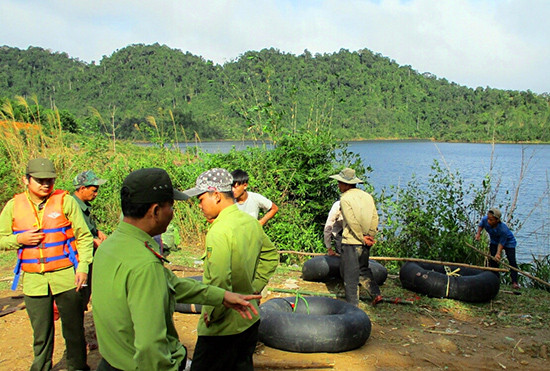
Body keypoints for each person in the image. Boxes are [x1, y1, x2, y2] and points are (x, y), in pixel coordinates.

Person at [92, 168, 261, 371]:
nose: (173, 214)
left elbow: (172, 284)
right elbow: (150, 346)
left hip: (112, 361)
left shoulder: (109, 246)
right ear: (155, 211)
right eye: (171, 207)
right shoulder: (145, 265)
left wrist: (222, 296)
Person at [0, 157, 93, 371]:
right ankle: (41, 367)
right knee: (41, 333)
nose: (45, 184)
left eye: (49, 180)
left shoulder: (65, 201)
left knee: (73, 331)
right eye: (39, 180)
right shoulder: (14, 206)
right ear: (26, 180)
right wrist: (18, 240)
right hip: (34, 281)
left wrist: (83, 268)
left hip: (66, 278)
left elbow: (84, 237)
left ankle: (77, 366)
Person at [183, 168, 279, 371]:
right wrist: (254, 288)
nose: (199, 205)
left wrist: (213, 314)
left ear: (216, 196)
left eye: (201, 199)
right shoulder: (251, 223)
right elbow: (271, 257)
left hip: (223, 328)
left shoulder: (219, 231)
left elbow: (219, 280)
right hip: (249, 320)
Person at [329, 167, 382, 306]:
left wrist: (361, 237)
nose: (338, 185)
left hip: (352, 242)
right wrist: (370, 235)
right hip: (365, 242)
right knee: (363, 268)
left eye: (340, 183)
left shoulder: (345, 198)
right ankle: (376, 294)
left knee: (350, 275)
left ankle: (353, 306)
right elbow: (375, 217)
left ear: (346, 184)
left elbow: (351, 220)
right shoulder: (367, 196)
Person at [475, 208, 520, 289]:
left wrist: (498, 253)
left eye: (491, 220)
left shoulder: (503, 229)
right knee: (493, 260)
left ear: (497, 220)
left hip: (508, 243)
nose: (489, 221)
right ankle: (495, 279)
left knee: (512, 261)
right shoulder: (485, 220)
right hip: (494, 241)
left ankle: (514, 282)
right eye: (488, 219)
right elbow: (481, 225)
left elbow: (501, 243)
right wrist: (478, 234)